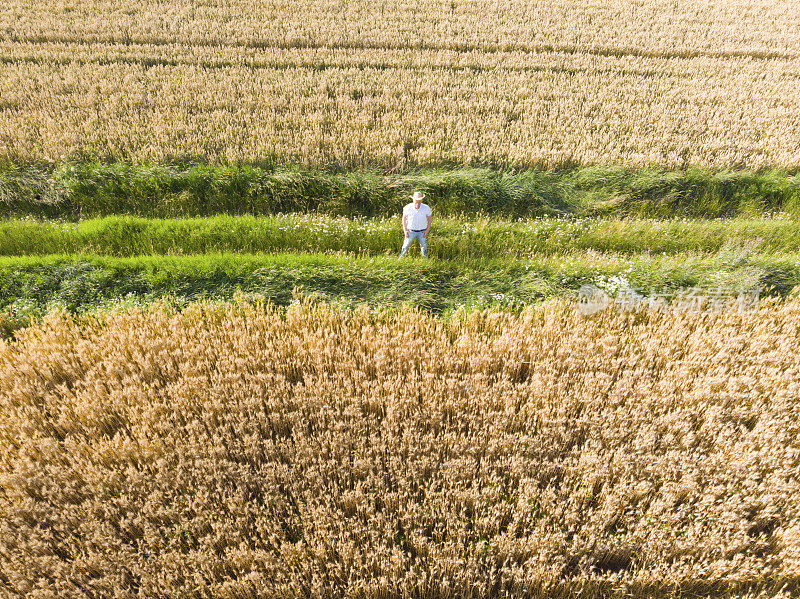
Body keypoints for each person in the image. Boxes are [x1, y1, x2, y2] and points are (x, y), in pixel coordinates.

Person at [400, 191, 432, 258]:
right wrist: (405, 230)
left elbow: (429, 219)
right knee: (405, 246)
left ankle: (425, 260)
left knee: (424, 247)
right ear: (413, 199)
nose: (418, 201)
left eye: (420, 200)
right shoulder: (407, 207)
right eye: (416, 200)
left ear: (422, 200)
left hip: (422, 232)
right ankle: (401, 259)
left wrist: (427, 230)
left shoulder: (426, 208)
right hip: (410, 231)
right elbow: (404, 219)